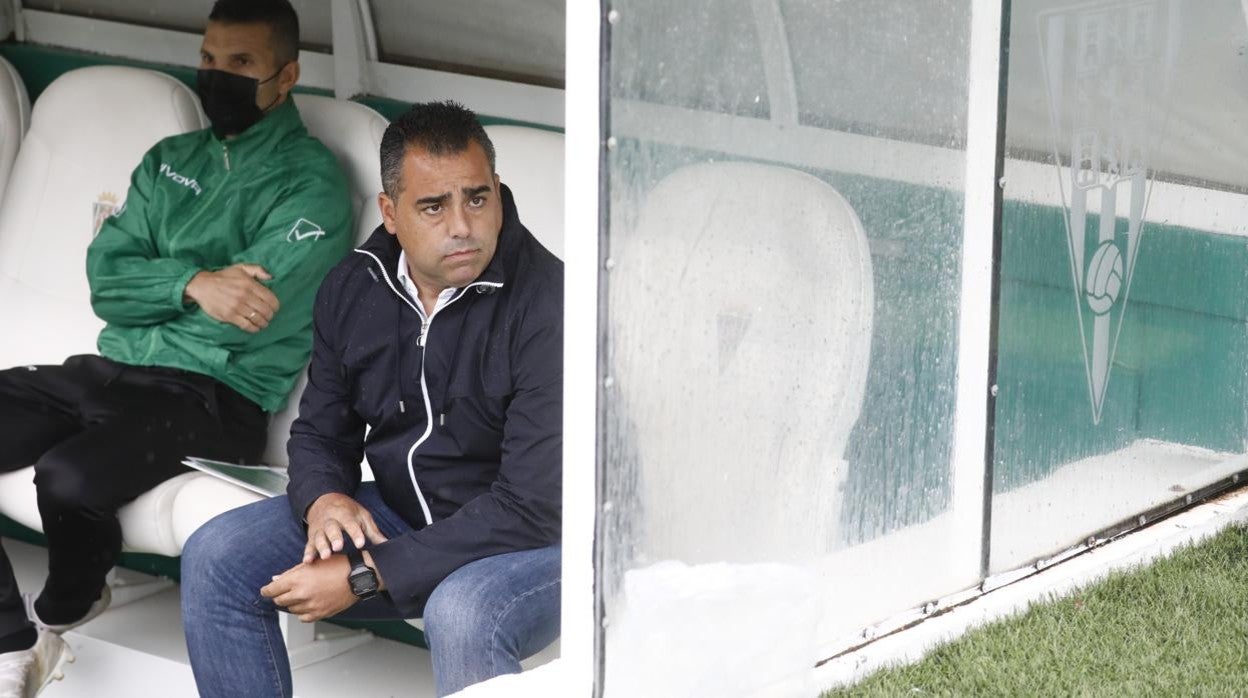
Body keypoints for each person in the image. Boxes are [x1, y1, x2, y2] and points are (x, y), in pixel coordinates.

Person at [0, 0, 352, 693]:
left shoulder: (311, 183)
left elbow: (247, 313)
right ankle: (13, 641)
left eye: (241, 64)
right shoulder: (169, 161)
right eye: (209, 60)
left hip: (214, 399)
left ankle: (67, 605)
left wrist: (159, 294)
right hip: (105, 371)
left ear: (286, 77)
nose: (217, 77)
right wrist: (193, 282)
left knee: (67, 477)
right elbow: (106, 280)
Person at [181, 101, 563, 698]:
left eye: (477, 198)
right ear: (390, 213)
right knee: (216, 557)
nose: (462, 225)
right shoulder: (356, 286)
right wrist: (324, 500)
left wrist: (368, 574)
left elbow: (529, 507)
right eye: (433, 206)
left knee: (461, 612)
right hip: (406, 514)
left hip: (544, 544)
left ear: (497, 192)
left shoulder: (550, 303)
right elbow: (320, 433)